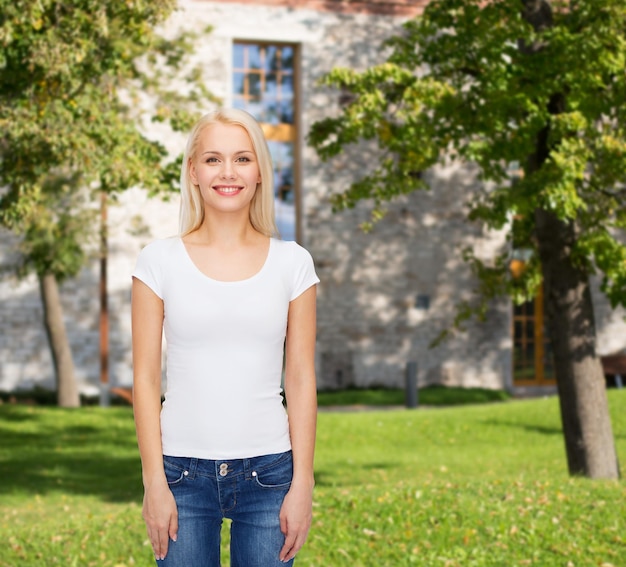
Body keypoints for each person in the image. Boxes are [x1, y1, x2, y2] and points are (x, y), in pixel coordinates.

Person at [131, 108, 319, 566]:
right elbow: (144, 381)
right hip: (180, 475)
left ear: (259, 173)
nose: (228, 172)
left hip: (271, 474)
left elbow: (299, 379)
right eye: (213, 159)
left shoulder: (293, 263)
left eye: (242, 158)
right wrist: (154, 482)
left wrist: (303, 484)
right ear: (193, 171)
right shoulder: (157, 262)